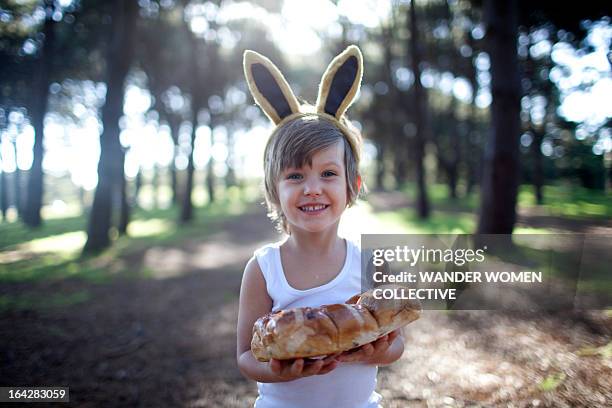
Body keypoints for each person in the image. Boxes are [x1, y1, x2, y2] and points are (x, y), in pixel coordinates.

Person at [236, 45, 405, 408]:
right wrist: (283, 371)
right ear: (274, 191)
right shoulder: (263, 270)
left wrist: (372, 353)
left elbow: (398, 343)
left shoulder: (371, 263)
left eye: (328, 173)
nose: (312, 187)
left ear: (352, 186)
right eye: (295, 175)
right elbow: (247, 357)